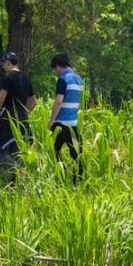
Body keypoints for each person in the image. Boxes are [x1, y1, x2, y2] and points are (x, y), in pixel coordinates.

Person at [0, 52, 37, 169]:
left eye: (4, 63)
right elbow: (33, 101)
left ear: (8, 62)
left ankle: (20, 170)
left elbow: (1, 99)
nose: (3, 66)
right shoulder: (26, 78)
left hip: (8, 118)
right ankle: (16, 182)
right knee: (16, 151)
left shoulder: (7, 77)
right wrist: (24, 113)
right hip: (22, 119)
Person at [49, 53, 84, 182]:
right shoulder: (79, 79)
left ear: (58, 65)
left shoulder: (63, 79)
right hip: (74, 122)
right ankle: (77, 181)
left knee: (54, 151)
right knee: (77, 154)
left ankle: (61, 178)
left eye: (55, 68)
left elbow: (59, 102)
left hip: (61, 123)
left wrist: (52, 121)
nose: (55, 72)